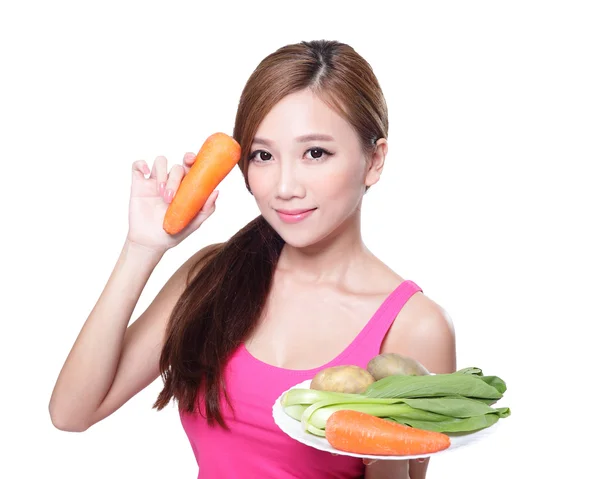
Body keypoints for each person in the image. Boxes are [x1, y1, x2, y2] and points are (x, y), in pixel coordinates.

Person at [49, 39, 456, 479]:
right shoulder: (213, 277)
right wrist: (142, 248)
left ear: (374, 161)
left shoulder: (415, 326)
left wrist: (381, 439)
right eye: (263, 156)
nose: (284, 186)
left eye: (315, 153)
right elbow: (72, 413)